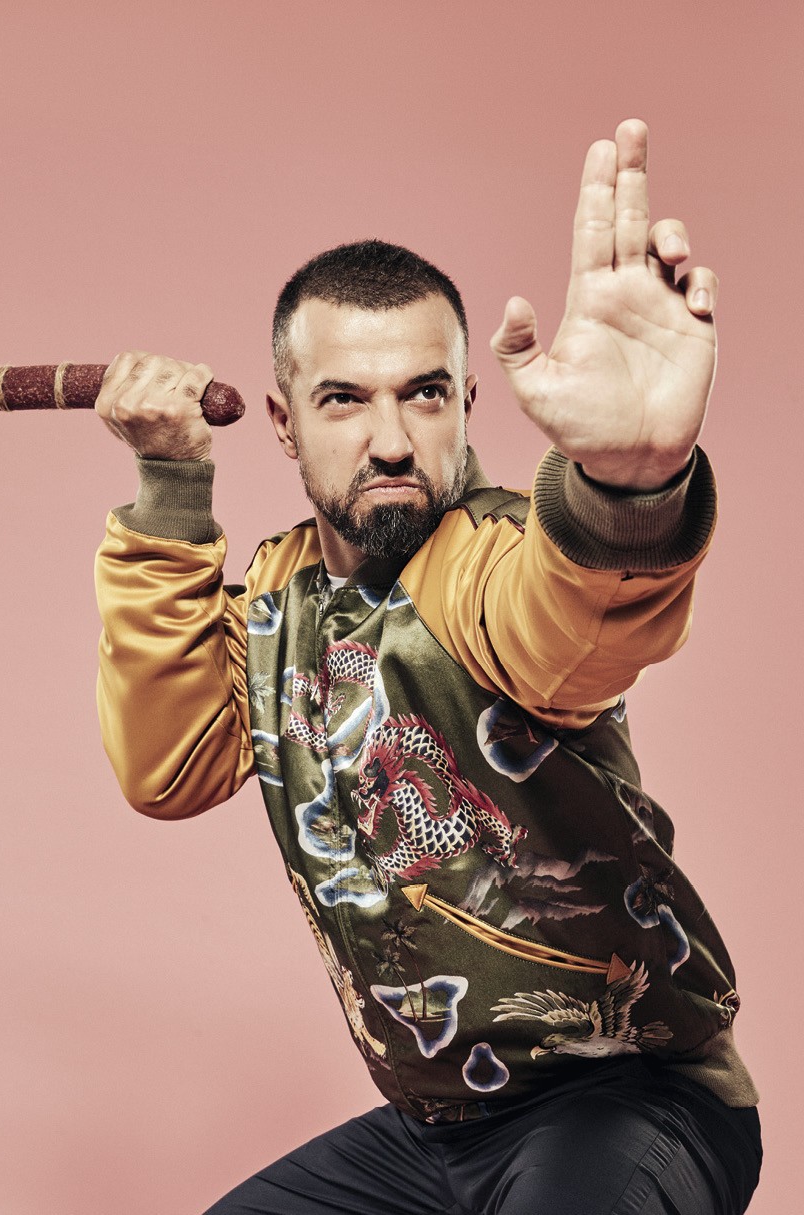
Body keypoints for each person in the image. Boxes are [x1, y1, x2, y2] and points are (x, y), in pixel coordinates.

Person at [94, 120, 762, 1214]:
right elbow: (169, 768)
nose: (394, 439)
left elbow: (577, 620)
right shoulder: (274, 599)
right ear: (283, 423)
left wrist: (628, 484)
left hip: (632, 1099)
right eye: (345, 400)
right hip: (437, 1127)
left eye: (425, 393)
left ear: (466, 403)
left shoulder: (489, 560)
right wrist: (170, 487)